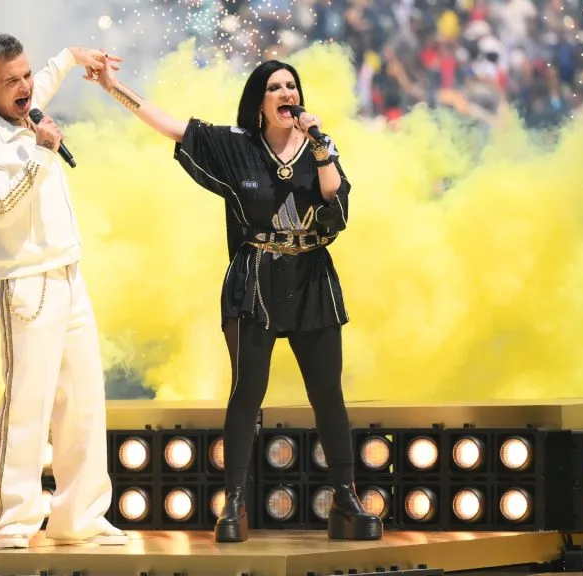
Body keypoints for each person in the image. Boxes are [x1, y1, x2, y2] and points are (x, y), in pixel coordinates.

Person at [93, 59, 383, 543]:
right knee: (247, 391)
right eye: (275, 87)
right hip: (257, 280)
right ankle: (234, 503)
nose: (286, 93)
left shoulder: (318, 148)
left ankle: (345, 498)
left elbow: (334, 199)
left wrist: (323, 146)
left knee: (327, 393)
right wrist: (111, 86)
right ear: (260, 102)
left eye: (292, 85)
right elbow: (170, 126)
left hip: (312, 277)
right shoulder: (237, 146)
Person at [0, 32, 128, 550]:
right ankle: (13, 522)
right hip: (25, 285)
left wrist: (73, 57)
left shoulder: (23, 114)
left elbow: (42, 83)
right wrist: (42, 152)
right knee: (26, 405)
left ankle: (82, 518)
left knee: (84, 401)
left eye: (27, 74)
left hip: (69, 276)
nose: (27, 87)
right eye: (12, 81)